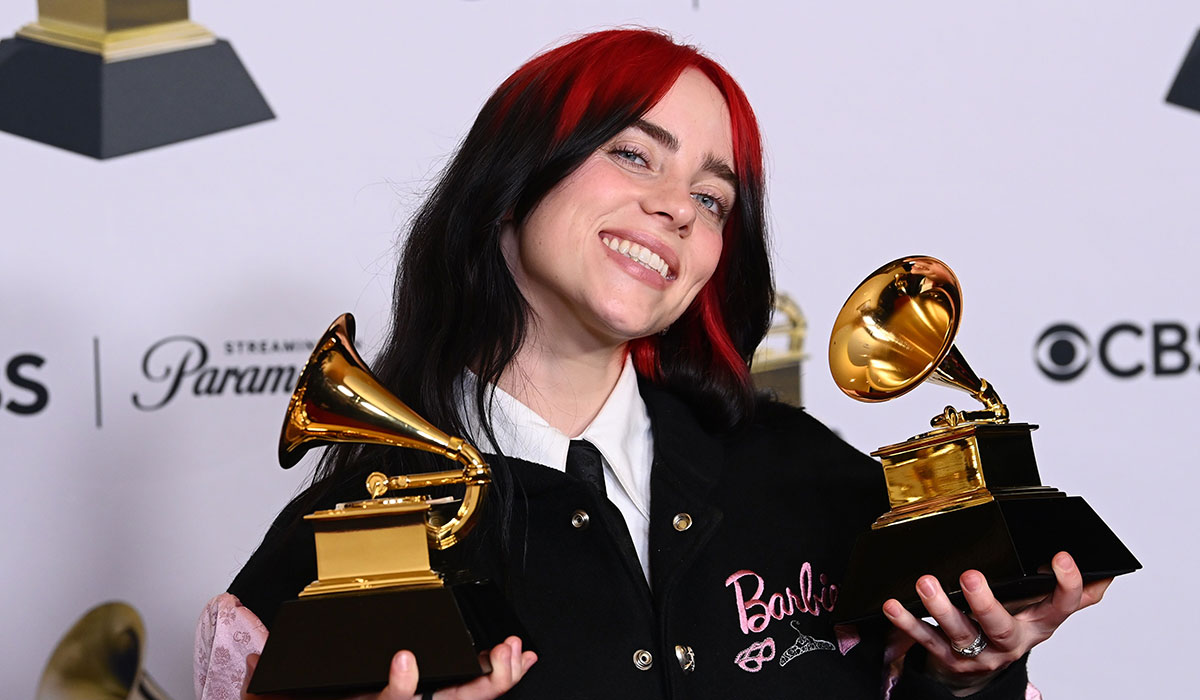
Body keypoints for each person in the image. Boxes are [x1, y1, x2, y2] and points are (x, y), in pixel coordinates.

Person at [195, 28, 1109, 700]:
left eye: (714, 198)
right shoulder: (342, 537)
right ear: (511, 181)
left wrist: (969, 677)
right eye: (633, 154)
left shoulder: (807, 471)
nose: (677, 208)